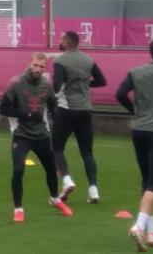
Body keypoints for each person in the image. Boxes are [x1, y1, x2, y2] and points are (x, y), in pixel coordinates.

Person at [1, 51, 71, 222]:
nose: (38, 69)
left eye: (42, 67)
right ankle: (18, 209)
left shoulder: (46, 85)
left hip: (42, 134)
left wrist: (59, 125)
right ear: (29, 63)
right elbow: (3, 108)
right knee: (18, 170)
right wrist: (25, 115)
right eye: (35, 65)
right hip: (21, 135)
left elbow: (54, 108)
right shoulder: (16, 83)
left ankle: (54, 198)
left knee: (51, 169)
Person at [116, 37, 153, 250]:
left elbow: (120, 94)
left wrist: (134, 111)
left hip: (138, 129)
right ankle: (139, 226)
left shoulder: (136, 72)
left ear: (150, 51)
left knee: (147, 181)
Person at [52, 30, 106, 204]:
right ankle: (94, 190)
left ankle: (67, 180)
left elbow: (56, 84)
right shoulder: (88, 60)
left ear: (66, 42)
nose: (60, 42)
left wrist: (59, 91)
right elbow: (102, 81)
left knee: (56, 148)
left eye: (61, 39)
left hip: (67, 109)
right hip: (85, 110)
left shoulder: (60, 60)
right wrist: (84, 83)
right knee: (87, 152)